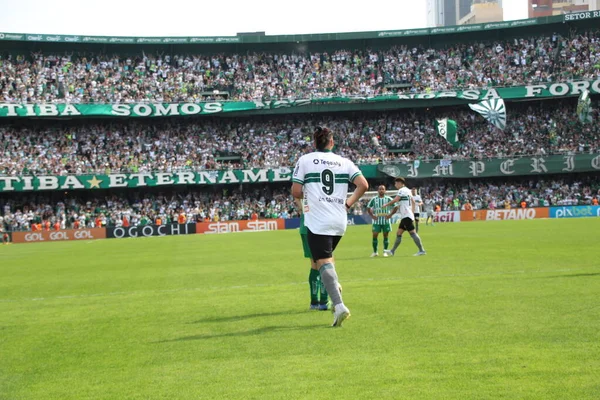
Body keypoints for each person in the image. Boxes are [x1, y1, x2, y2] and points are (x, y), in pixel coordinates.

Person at [292, 126, 369, 327]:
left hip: (318, 221)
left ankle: (339, 305)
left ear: (314, 143)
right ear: (332, 142)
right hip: (339, 219)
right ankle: (335, 289)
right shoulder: (345, 162)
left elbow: (296, 191)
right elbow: (363, 185)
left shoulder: (305, 160)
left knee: (323, 261)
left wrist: (312, 193)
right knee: (323, 261)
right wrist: (348, 203)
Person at [295, 198, 330, 311]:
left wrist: (302, 209)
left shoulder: (304, 183)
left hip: (306, 226)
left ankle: (314, 302)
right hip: (320, 226)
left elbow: (295, 192)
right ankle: (324, 301)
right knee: (325, 263)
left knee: (314, 264)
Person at [382, 177, 426, 257]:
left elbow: (396, 199)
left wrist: (386, 204)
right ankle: (392, 251)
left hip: (406, 215)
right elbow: (413, 201)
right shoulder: (408, 190)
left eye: (396, 183)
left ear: (399, 183)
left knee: (413, 233)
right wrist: (412, 212)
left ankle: (421, 250)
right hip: (406, 215)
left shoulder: (401, 190)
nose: (395, 185)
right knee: (399, 233)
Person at [366, 185, 398, 257]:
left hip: (386, 221)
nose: (381, 190)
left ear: (385, 190)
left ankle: (385, 252)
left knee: (385, 236)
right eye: (380, 189)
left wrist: (390, 215)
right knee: (375, 235)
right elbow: (368, 207)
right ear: (378, 190)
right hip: (376, 221)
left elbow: (396, 206)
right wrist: (372, 216)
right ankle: (375, 252)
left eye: (382, 189)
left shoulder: (388, 199)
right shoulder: (374, 199)